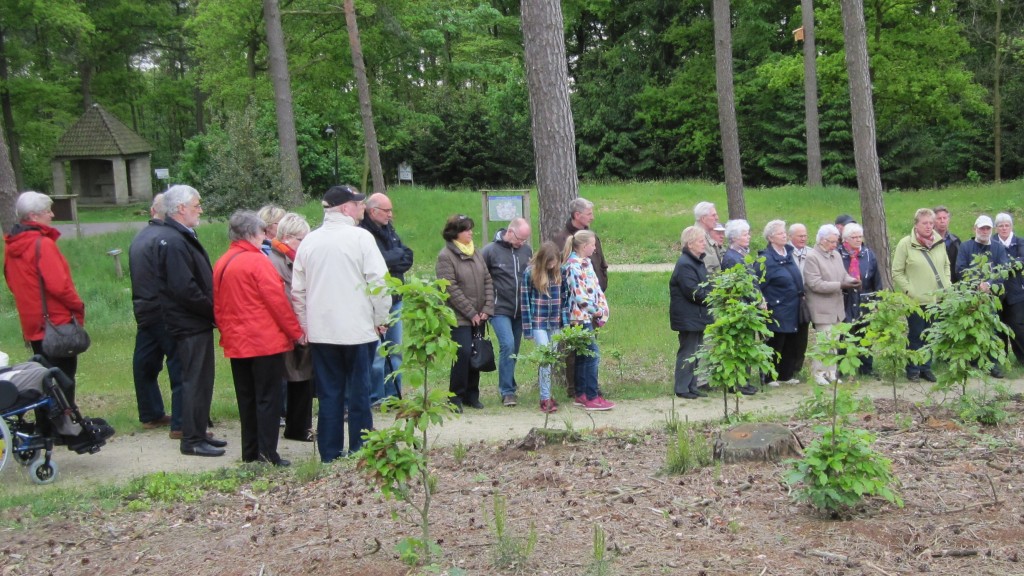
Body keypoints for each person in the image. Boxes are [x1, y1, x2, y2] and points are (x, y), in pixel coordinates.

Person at [292, 185, 391, 462]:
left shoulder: (309, 241)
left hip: (323, 332)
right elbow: (380, 283)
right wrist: (381, 319)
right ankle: (360, 449)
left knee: (329, 394)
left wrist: (306, 325)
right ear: (345, 208)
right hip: (357, 331)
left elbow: (298, 291)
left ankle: (329, 452)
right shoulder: (361, 238)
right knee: (359, 393)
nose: (362, 208)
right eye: (358, 203)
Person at [214, 211, 304, 466]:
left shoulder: (223, 261)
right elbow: (277, 302)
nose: (265, 236)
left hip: (237, 342)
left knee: (247, 398)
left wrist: (226, 332)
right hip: (263, 342)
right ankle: (268, 453)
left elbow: (218, 305)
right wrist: (296, 333)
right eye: (263, 232)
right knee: (268, 399)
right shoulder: (257, 262)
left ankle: (250, 451)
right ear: (253, 234)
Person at [154, 185, 228, 456]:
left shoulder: (182, 236)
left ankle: (198, 432)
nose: (200, 210)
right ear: (181, 208)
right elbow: (184, 288)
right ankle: (192, 439)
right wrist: (213, 311)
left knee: (201, 379)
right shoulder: (173, 241)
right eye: (197, 205)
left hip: (194, 320)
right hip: (189, 321)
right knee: (194, 380)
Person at [3, 191, 86, 397]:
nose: (52, 215)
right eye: (47, 211)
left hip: (33, 323)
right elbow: (60, 286)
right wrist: (78, 306)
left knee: (42, 378)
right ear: (33, 216)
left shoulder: (12, 246)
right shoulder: (42, 244)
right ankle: (65, 425)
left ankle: (48, 423)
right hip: (55, 324)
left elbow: (13, 283)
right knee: (62, 379)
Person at [128, 193, 182, 431]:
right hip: (164, 310)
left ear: (152, 212)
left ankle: (150, 412)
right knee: (179, 365)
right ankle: (182, 422)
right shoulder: (167, 238)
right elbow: (176, 279)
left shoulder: (139, 238)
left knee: (144, 364)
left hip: (143, 308)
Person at [359, 192, 414, 406]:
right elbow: (376, 262)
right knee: (377, 355)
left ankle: (394, 395)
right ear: (373, 211)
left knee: (395, 349)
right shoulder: (363, 232)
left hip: (395, 298)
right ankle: (376, 397)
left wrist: (392, 258)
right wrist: (393, 257)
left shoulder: (389, 230)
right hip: (375, 300)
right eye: (387, 211)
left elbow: (407, 255)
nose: (391, 215)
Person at [436, 214, 494, 413]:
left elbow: (487, 279)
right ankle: (455, 397)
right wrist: (470, 312)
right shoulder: (446, 256)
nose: (470, 233)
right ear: (455, 233)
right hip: (459, 316)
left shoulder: (475, 253)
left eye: (471, 229)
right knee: (463, 353)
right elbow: (449, 288)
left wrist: (487, 308)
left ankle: (472, 394)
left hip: (480, 315)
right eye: (466, 229)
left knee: (476, 352)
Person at [269, 212, 315, 442]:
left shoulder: (293, 258)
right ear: (286, 237)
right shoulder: (276, 261)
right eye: (301, 238)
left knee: (303, 380)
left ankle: (299, 426)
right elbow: (285, 297)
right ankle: (297, 427)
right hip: (288, 330)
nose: (304, 244)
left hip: (298, 327)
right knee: (295, 378)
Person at [892, 208, 951, 383]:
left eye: (931, 223)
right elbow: (897, 272)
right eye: (925, 223)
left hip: (936, 299)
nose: (928, 226)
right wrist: (911, 292)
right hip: (916, 301)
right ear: (916, 224)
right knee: (916, 335)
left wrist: (947, 285)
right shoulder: (905, 244)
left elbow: (946, 265)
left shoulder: (939, 242)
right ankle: (913, 369)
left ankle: (926, 367)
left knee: (931, 335)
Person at [482, 217, 533, 407]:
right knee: (508, 345)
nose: (522, 243)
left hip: (520, 310)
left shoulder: (526, 251)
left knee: (514, 350)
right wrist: (484, 307)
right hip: (499, 309)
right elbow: (481, 279)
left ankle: (510, 382)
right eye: (520, 239)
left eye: (525, 240)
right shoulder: (490, 251)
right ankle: (507, 391)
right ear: (510, 232)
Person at [563, 230, 614, 410]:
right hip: (579, 318)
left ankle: (582, 394)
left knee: (584, 356)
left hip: (589, 315)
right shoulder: (573, 266)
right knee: (592, 355)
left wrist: (603, 309)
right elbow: (579, 296)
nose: (595, 248)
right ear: (584, 246)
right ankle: (592, 396)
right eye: (593, 245)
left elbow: (596, 288)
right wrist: (595, 312)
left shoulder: (588, 264)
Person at [804, 224, 859, 385]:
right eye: (832, 241)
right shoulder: (812, 257)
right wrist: (841, 286)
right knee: (824, 342)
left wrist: (853, 281)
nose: (835, 245)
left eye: (836, 241)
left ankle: (831, 372)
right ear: (822, 240)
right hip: (821, 308)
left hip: (836, 307)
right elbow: (815, 284)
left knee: (834, 341)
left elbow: (843, 275)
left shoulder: (835, 255)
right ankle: (818, 373)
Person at [955, 215, 1009, 378]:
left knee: (991, 331)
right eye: (982, 228)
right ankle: (970, 362)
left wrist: (989, 284)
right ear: (975, 229)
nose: (984, 231)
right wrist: (976, 284)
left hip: (991, 297)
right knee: (969, 329)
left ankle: (992, 364)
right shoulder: (966, 246)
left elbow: (1002, 270)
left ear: (991, 230)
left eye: (988, 228)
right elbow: (960, 269)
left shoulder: (998, 248)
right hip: (970, 296)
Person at [757, 220, 804, 386]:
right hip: (777, 306)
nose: (784, 235)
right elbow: (758, 285)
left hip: (793, 305)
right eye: (780, 233)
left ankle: (786, 374)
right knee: (776, 341)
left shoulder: (787, 253)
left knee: (791, 342)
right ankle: (768, 376)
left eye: (784, 232)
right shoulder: (766, 259)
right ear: (771, 237)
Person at [520, 242, 565, 413]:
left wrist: (565, 323)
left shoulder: (561, 273)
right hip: (538, 322)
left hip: (555, 322)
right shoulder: (529, 274)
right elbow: (525, 303)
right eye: (549, 262)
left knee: (551, 359)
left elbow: (565, 299)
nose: (552, 266)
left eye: (555, 262)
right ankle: (544, 398)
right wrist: (528, 329)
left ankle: (549, 393)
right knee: (545, 358)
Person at [669, 226, 712, 399]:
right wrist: (714, 296)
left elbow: (704, 287)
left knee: (697, 351)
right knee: (688, 352)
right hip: (688, 316)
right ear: (690, 243)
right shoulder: (685, 264)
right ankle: (682, 388)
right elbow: (693, 292)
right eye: (701, 241)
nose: (704, 245)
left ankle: (692, 385)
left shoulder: (696, 262)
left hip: (698, 316)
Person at [837, 222, 882, 376]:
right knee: (843, 334)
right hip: (844, 299)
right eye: (854, 237)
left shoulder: (869, 254)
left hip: (865, 299)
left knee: (865, 334)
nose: (858, 240)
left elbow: (877, 280)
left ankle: (866, 368)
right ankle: (841, 369)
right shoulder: (838, 254)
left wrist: (878, 300)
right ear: (845, 239)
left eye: (859, 236)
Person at [552, 198, 608, 291]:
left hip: (596, 296)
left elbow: (602, 263)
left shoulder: (592, 237)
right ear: (577, 215)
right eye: (589, 214)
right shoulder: (560, 240)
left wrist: (602, 283)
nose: (592, 217)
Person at [994, 213, 1024, 362]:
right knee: (998, 328)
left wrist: (1003, 266)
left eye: (1007, 225)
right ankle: (1001, 359)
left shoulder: (1019, 242)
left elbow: (1022, 261)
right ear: (996, 228)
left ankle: (1022, 358)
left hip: (1016, 291)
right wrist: (1012, 263)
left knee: (1017, 326)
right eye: (1000, 225)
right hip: (996, 292)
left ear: (1011, 226)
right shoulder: (991, 242)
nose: (1004, 228)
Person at [694, 201, 725, 274]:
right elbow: (708, 272)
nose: (717, 218)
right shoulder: (698, 238)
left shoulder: (707, 235)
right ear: (703, 219)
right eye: (713, 215)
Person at [934, 206, 961, 283]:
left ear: (948, 220)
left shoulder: (955, 241)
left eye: (944, 218)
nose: (942, 221)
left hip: (952, 283)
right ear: (933, 221)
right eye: (939, 218)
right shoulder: (928, 241)